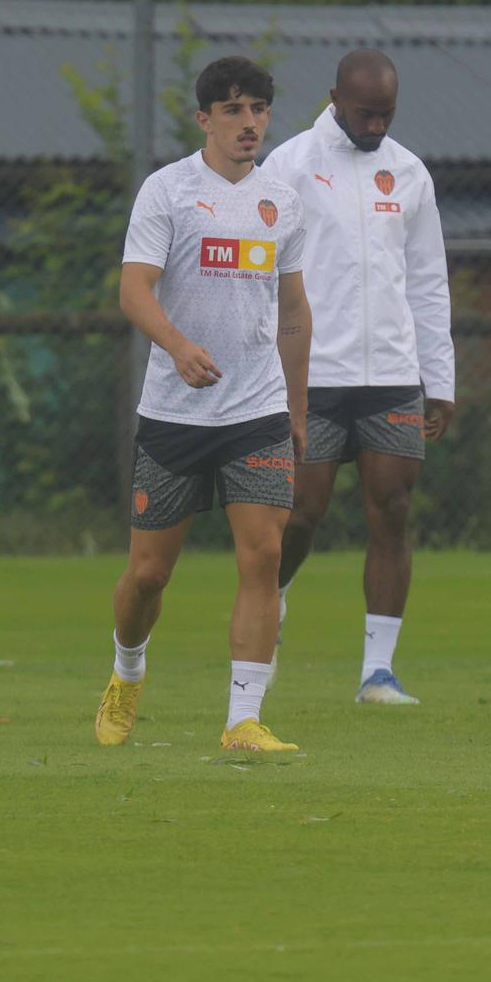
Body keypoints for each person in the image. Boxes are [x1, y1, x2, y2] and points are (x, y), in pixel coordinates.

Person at [94, 56, 313, 754]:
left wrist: (298, 411)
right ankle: (127, 672)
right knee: (149, 574)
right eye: (234, 110)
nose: (249, 123)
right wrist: (178, 346)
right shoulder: (168, 192)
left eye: (259, 110)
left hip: (257, 413)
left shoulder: (283, 200)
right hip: (175, 415)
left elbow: (294, 314)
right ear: (204, 119)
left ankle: (242, 719)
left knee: (263, 556)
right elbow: (134, 290)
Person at [258, 48, 455, 705]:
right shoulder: (288, 165)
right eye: (366, 112)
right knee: (303, 512)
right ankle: (273, 600)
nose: (376, 125)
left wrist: (440, 377)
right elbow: (264, 278)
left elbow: (427, 281)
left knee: (392, 509)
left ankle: (378, 670)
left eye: (387, 114)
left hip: (393, 374)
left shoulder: (409, 173)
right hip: (314, 375)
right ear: (334, 97)